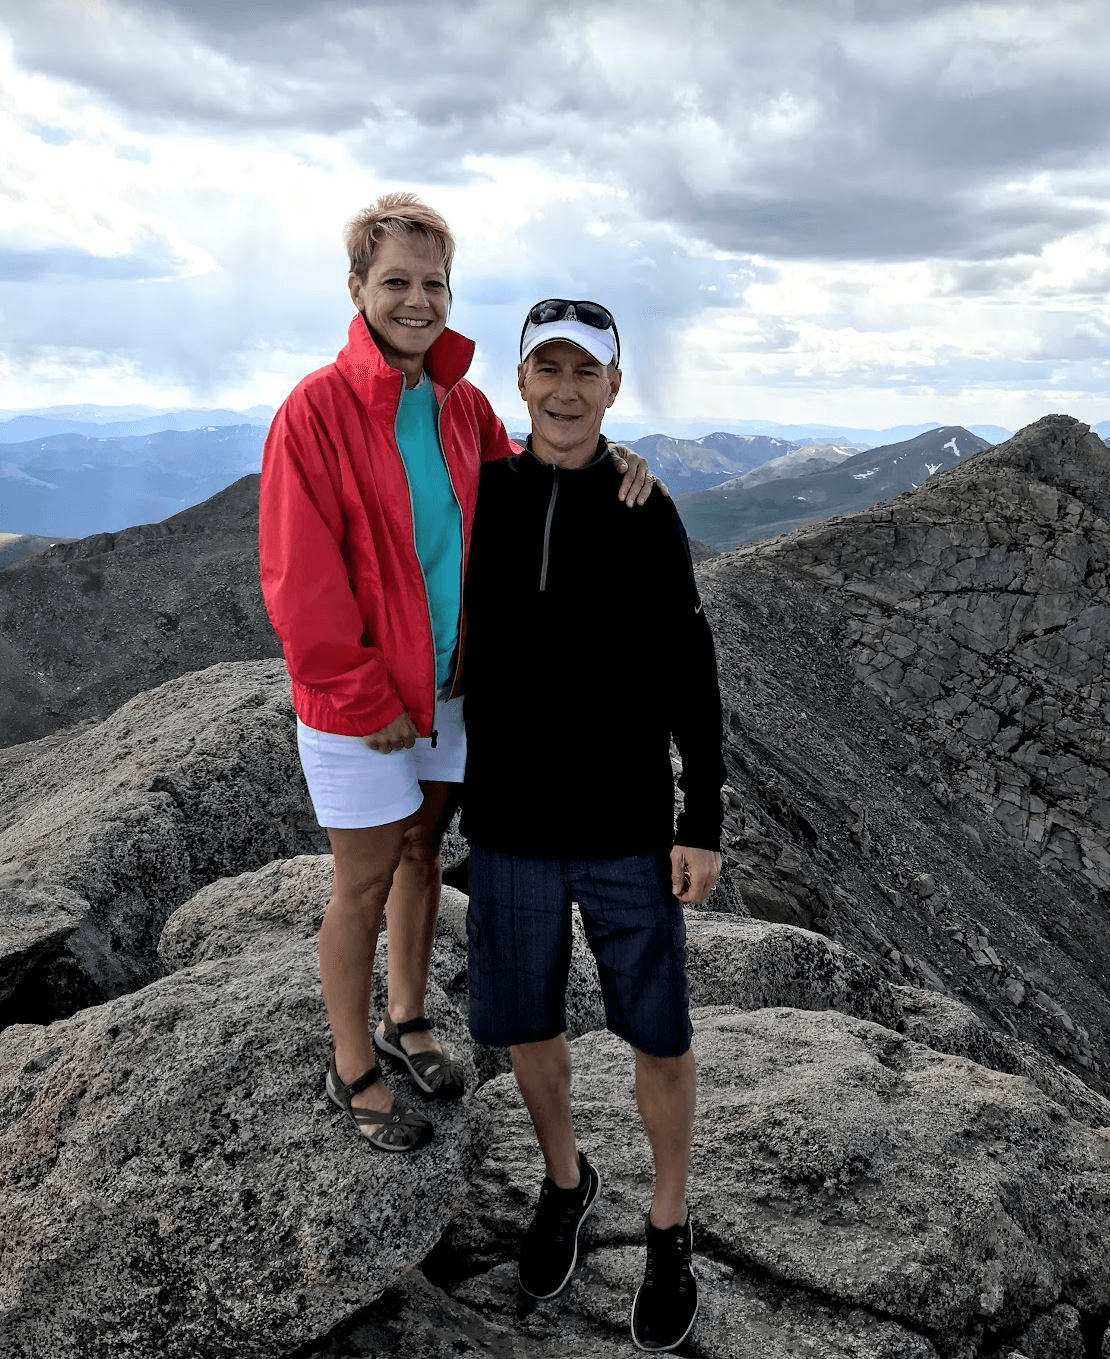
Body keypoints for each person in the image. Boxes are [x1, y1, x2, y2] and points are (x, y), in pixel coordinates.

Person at [258, 196, 657, 1153]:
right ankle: (352, 1063)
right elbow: (299, 581)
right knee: (362, 881)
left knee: (423, 853)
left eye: (433, 283)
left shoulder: (463, 407)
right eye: (395, 280)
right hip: (363, 706)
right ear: (357, 288)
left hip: (450, 691)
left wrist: (612, 464)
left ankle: (408, 1017)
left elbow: (526, 488)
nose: (417, 300)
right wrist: (368, 700)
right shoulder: (315, 411)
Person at [461, 299, 725, 1351]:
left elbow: (690, 668)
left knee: (659, 1034)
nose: (566, 390)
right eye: (548, 368)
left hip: (626, 825)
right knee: (530, 1022)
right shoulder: (482, 492)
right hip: (510, 822)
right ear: (520, 383)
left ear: (615, 387)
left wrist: (701, 818)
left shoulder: (644, 509)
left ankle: (668, 1225)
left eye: (586, 372)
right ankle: (566, 1181)